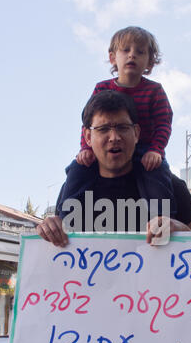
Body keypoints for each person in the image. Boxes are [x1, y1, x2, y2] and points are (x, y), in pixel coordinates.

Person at [37, 90, 191, 343]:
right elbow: (58, 260)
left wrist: (184, 233)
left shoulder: (170, 186)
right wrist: (46, 229)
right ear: (87, 136)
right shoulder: (73, 191)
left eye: (122, 127)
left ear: (137, 133)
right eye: (103, 129)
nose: (113, 136)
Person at [66, 26, 178, 217]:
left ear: (150, 63)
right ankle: (64, 217)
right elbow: (88, 123)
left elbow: (163, 124)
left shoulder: (155, 91)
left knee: (158, 175)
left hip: (145, 151)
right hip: (106, 154)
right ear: (113, 58)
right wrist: (85, 148)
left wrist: (156, 150)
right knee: (77, 168)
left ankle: (164, 219)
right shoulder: (101, 88)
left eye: (140, 52)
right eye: (126, 50)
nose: (132, 55)